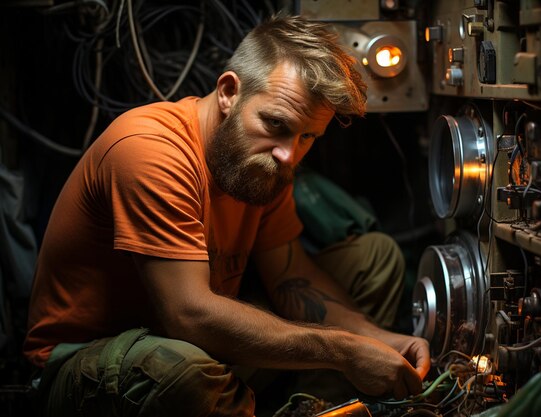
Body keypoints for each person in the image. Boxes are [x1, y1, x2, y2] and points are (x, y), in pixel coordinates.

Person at [23, 14, 430, 417]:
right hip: (87, 366)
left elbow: (292, 279)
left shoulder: (266, 163)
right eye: (276, 123)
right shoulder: (150, 149)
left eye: (308, 136)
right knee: (182, 372)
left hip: (198, 345)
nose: (289, 153)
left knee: (373, 258)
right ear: (229, 92)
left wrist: (377, 341)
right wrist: (343, 350)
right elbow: (189, 315)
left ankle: (311, 409)